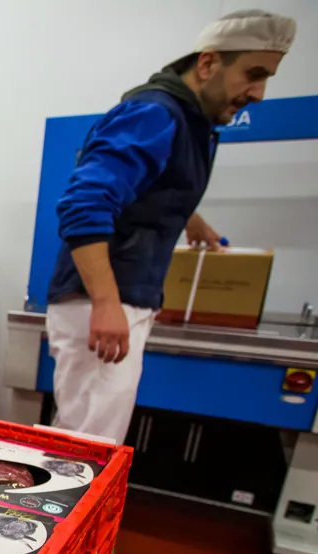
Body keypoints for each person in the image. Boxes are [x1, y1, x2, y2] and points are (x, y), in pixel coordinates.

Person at [45, 9, 295, 443]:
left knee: (90, 439)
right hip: (102, 301)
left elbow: (146, 185)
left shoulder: (187, 120)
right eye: (253, 74)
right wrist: (106, 303)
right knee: (87, 444)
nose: (258, 92)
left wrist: (188, 217)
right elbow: (84, 202)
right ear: (208, 63)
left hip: (117, 298)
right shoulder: (155, 113)